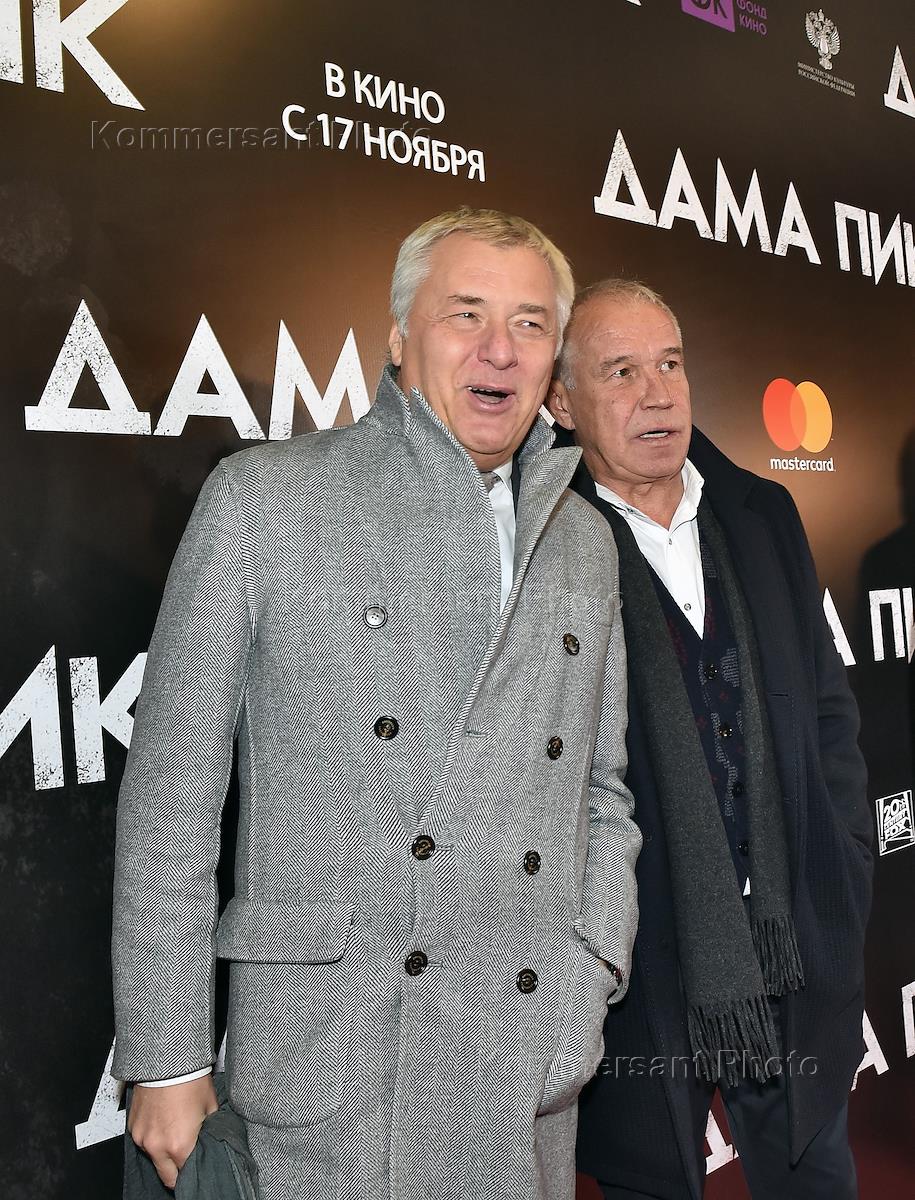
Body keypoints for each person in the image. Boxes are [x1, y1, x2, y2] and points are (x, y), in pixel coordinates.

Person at [111, 210, 641, 1200]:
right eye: (465, 313)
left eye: (530, 323)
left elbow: (602, 796)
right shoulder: (263, 502)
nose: (499, 348)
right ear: (399, 337)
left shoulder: (585, 541)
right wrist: (167, 1056)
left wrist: (590, 969)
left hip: (524, 1058)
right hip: (332, 1060)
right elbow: (171, 802)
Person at [547, 279, 872, 1200]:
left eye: (669, 363)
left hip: (787, 937)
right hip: (635, 962)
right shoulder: (541, 541)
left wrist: (842, 860)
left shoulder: (761, 512)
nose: (657, 393)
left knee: (814, 1178)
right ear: (562, 402)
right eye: (620, 372)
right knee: (652, 1181)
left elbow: (826, 710)